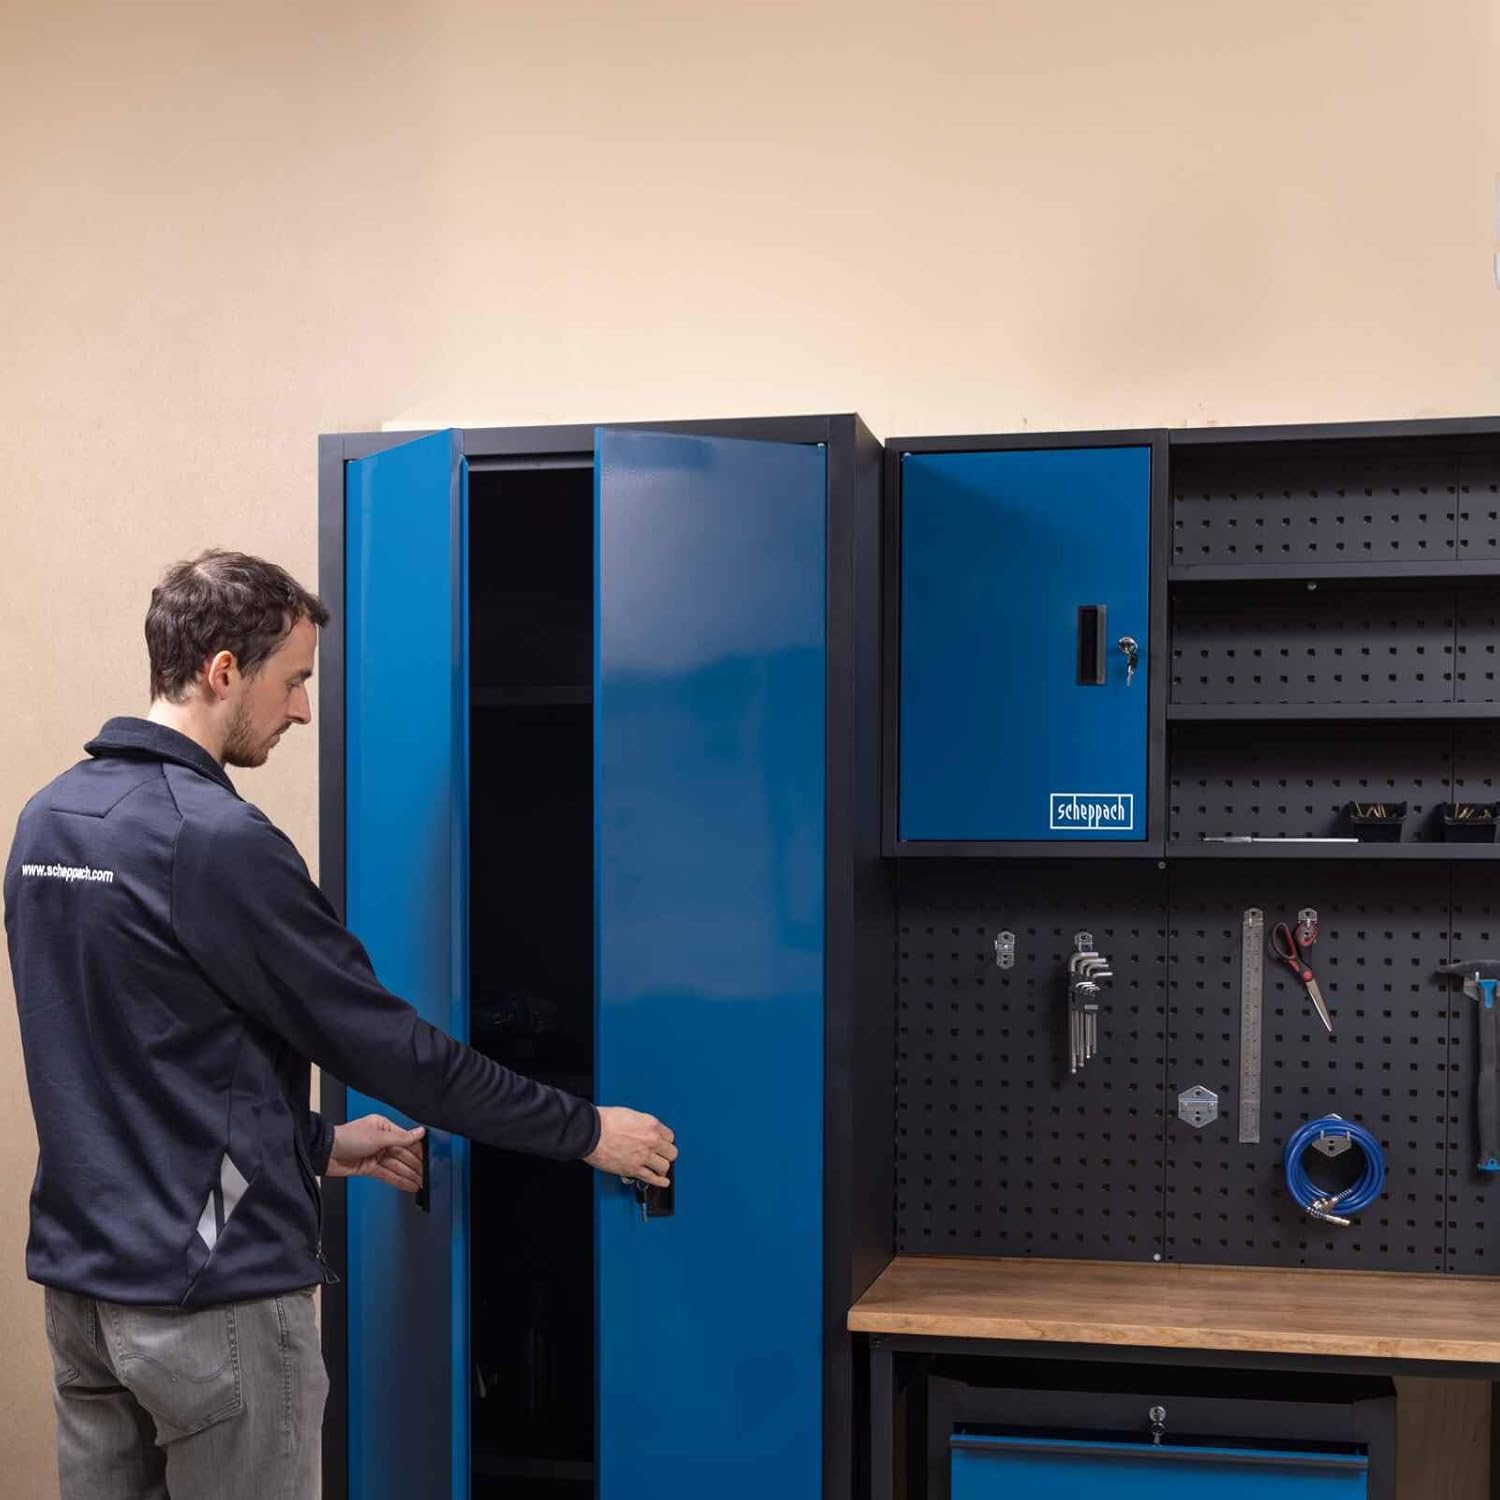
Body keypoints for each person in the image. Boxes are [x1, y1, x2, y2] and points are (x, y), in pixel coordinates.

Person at [4, 549, 676, 1499]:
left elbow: (137, 1060)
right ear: (223, 670)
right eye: (295, 681)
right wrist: (587, 1130)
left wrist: (317, 1143)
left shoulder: (48, 824)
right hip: (216, 1304)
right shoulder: (215, 841)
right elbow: (392, 1051)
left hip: (85, 1298)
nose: (304, 711)